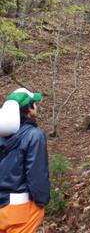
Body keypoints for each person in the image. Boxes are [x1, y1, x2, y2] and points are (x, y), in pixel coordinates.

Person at [0, 88, 50, 232]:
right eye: (34, 103)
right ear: (29, 108)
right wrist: (42, 201)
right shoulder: (34, 135)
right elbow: (37, 174)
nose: (36, 106)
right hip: (20, 209)